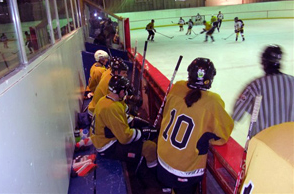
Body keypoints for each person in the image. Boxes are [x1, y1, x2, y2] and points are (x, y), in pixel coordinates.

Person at [157, 58, 234, 194]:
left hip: (162, 160)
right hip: (184, 170)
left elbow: (166, 113)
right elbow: (223, 134)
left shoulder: (178, 87)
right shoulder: (213, 102)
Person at [90, 75, 157, 169]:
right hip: (108, 147)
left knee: (141, 138)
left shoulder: (105, 100)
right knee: (150, 148)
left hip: (104, 139)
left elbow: (122, 119)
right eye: (125, 90)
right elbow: (125, 138)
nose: (126, 92)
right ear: (121, 91)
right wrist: (143, 133)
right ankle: (151, 175)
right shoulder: (111, 107)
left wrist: (142, 124)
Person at [232, 45, 294, 137]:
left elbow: (237, 114)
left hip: (263, 141)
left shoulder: (256, 85)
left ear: (264, 62)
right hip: (289, 140)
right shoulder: (292, 81)